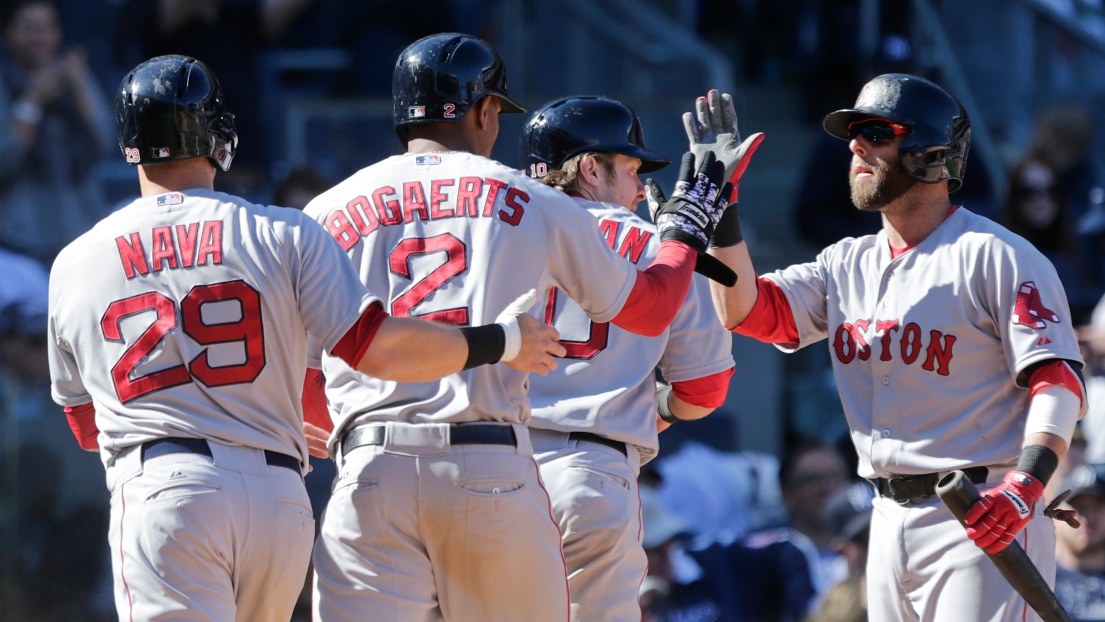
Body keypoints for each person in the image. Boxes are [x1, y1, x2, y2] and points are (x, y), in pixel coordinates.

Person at [45, 54, 562, 622]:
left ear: (129, 143)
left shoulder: (76, 261)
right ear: (220, 138)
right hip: (275, 497)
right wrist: (498, 341)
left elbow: (87, 428)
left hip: (164, 489)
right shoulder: (284, 231)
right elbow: (377, 348)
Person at [301, 33, 730, 622]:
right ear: (483, 110)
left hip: (368, 467)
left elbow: (304, 385)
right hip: (493, 463)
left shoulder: (320, 213)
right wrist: (683, 234)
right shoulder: (530, 200)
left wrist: (350, 435)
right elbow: (654, 312)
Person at [701, 75, 1087, 621]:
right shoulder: (844, 262)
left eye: (877, 133)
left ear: (932, 154)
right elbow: (744, 311)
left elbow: (1059, 381)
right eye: (853, 133)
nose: (856, 145)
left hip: (982, 510)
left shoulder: (997, 255)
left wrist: (1026, 485)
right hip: (883, 516)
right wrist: (723, 215)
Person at [519, 94, 736, 621]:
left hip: (489, 466)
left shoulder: (492, 234)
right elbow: (704, 391)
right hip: (592, 474)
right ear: (590, 168)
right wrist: (654, 408)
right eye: (633, 168)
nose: (642, 187)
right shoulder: (663, 249)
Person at [0, 0, 115, 265]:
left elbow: (106, 143)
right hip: (23, 240)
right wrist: (33, 102)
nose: (41, 37)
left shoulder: (75, 75)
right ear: (8, 32)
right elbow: (4, 162)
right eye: (30, 28)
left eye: (48, 27)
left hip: (85, 229)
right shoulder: (4, 82)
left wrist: (79, 88)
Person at [1053, 463, 1105, 621]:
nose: (1087, 516)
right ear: (1055, 516)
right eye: (1078, 507)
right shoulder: (1036, 578)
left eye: (1097, 506)